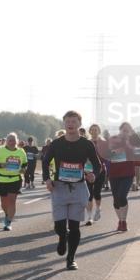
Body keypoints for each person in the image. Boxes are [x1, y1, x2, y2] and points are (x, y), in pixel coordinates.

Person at [42, 112, 103, 270]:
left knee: (75, 227)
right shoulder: (56, 144)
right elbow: (45, 161)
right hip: (59, 187)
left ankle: (71, 259)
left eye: (73, 121)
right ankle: (63, 237)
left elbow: (98, 165)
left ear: (79, 124)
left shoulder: (87, 144)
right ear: (64, 124)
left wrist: (93, 175)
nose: (70, 124)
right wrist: (47, 179)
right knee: (59, 227)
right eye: (67, 121)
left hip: (78, 188)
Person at [106, 122, 140, 231]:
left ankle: (124, 221)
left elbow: (139, 144)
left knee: (122, 196)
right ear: (120, 129)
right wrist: (114, 151)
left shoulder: (132, 140)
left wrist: (132, 134)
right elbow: (106, 154)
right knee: (116, 200)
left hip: (127, 173)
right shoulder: (113, 139)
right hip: (114, 173)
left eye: (128, 130)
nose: (126, 131)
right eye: (124, 129)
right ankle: (120, 220)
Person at [0, 133, 27, 231]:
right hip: (1, 179)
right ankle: (7, 214)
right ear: (6, 141)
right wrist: (1, 165)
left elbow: (25, 163)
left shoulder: (21, 151)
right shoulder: (0, 150)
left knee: (12, 200)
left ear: (16, 141)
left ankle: (8, 222)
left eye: (13, 140)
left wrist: (23, 169)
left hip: (15, 179)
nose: (12, 142)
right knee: (4, 202)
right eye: (10, 140)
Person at [86, 124, 109, 224]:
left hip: (100, 170)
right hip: (88, 170)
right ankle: (89, 217)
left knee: (96, 192)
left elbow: (106, 157)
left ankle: (98, 209)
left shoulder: (103, 142)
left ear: (99, 131)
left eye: (96, 130)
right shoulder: (86, 142)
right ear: (90, 131)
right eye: (92, 130)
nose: (94, 131)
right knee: (89, 194)